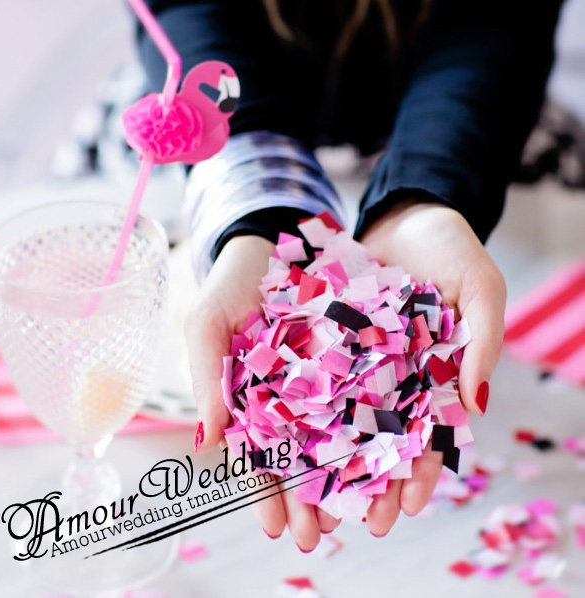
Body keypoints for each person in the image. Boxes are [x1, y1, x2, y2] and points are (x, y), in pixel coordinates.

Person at [137, 0, 563, 551]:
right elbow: (187, 12)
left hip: (460, 120)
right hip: (233, 125)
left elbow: (494, 22)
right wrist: (258, 218)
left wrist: (425, 198)